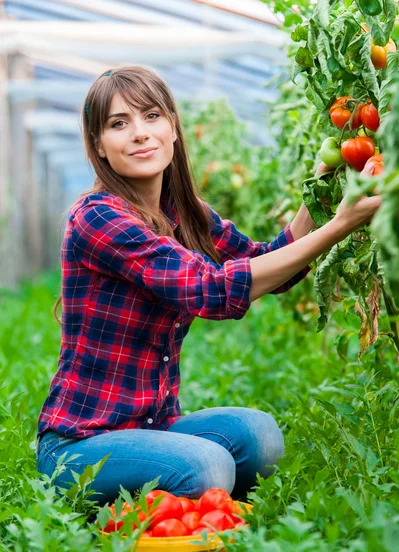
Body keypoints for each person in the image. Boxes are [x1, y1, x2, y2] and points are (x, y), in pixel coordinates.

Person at [35, 66, 380, 506]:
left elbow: (263, 264)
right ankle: (187, 504)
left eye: (152, 116)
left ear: (174, 128)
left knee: (259, 435)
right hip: (78, 445)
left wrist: (319, 189)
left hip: (152, 427)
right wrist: (342, 224)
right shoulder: (98, 218)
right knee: (206, 465)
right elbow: (213, 291)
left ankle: (197, 505)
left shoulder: (181, 211)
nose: (140, 133)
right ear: (99, 146)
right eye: (119, 124)